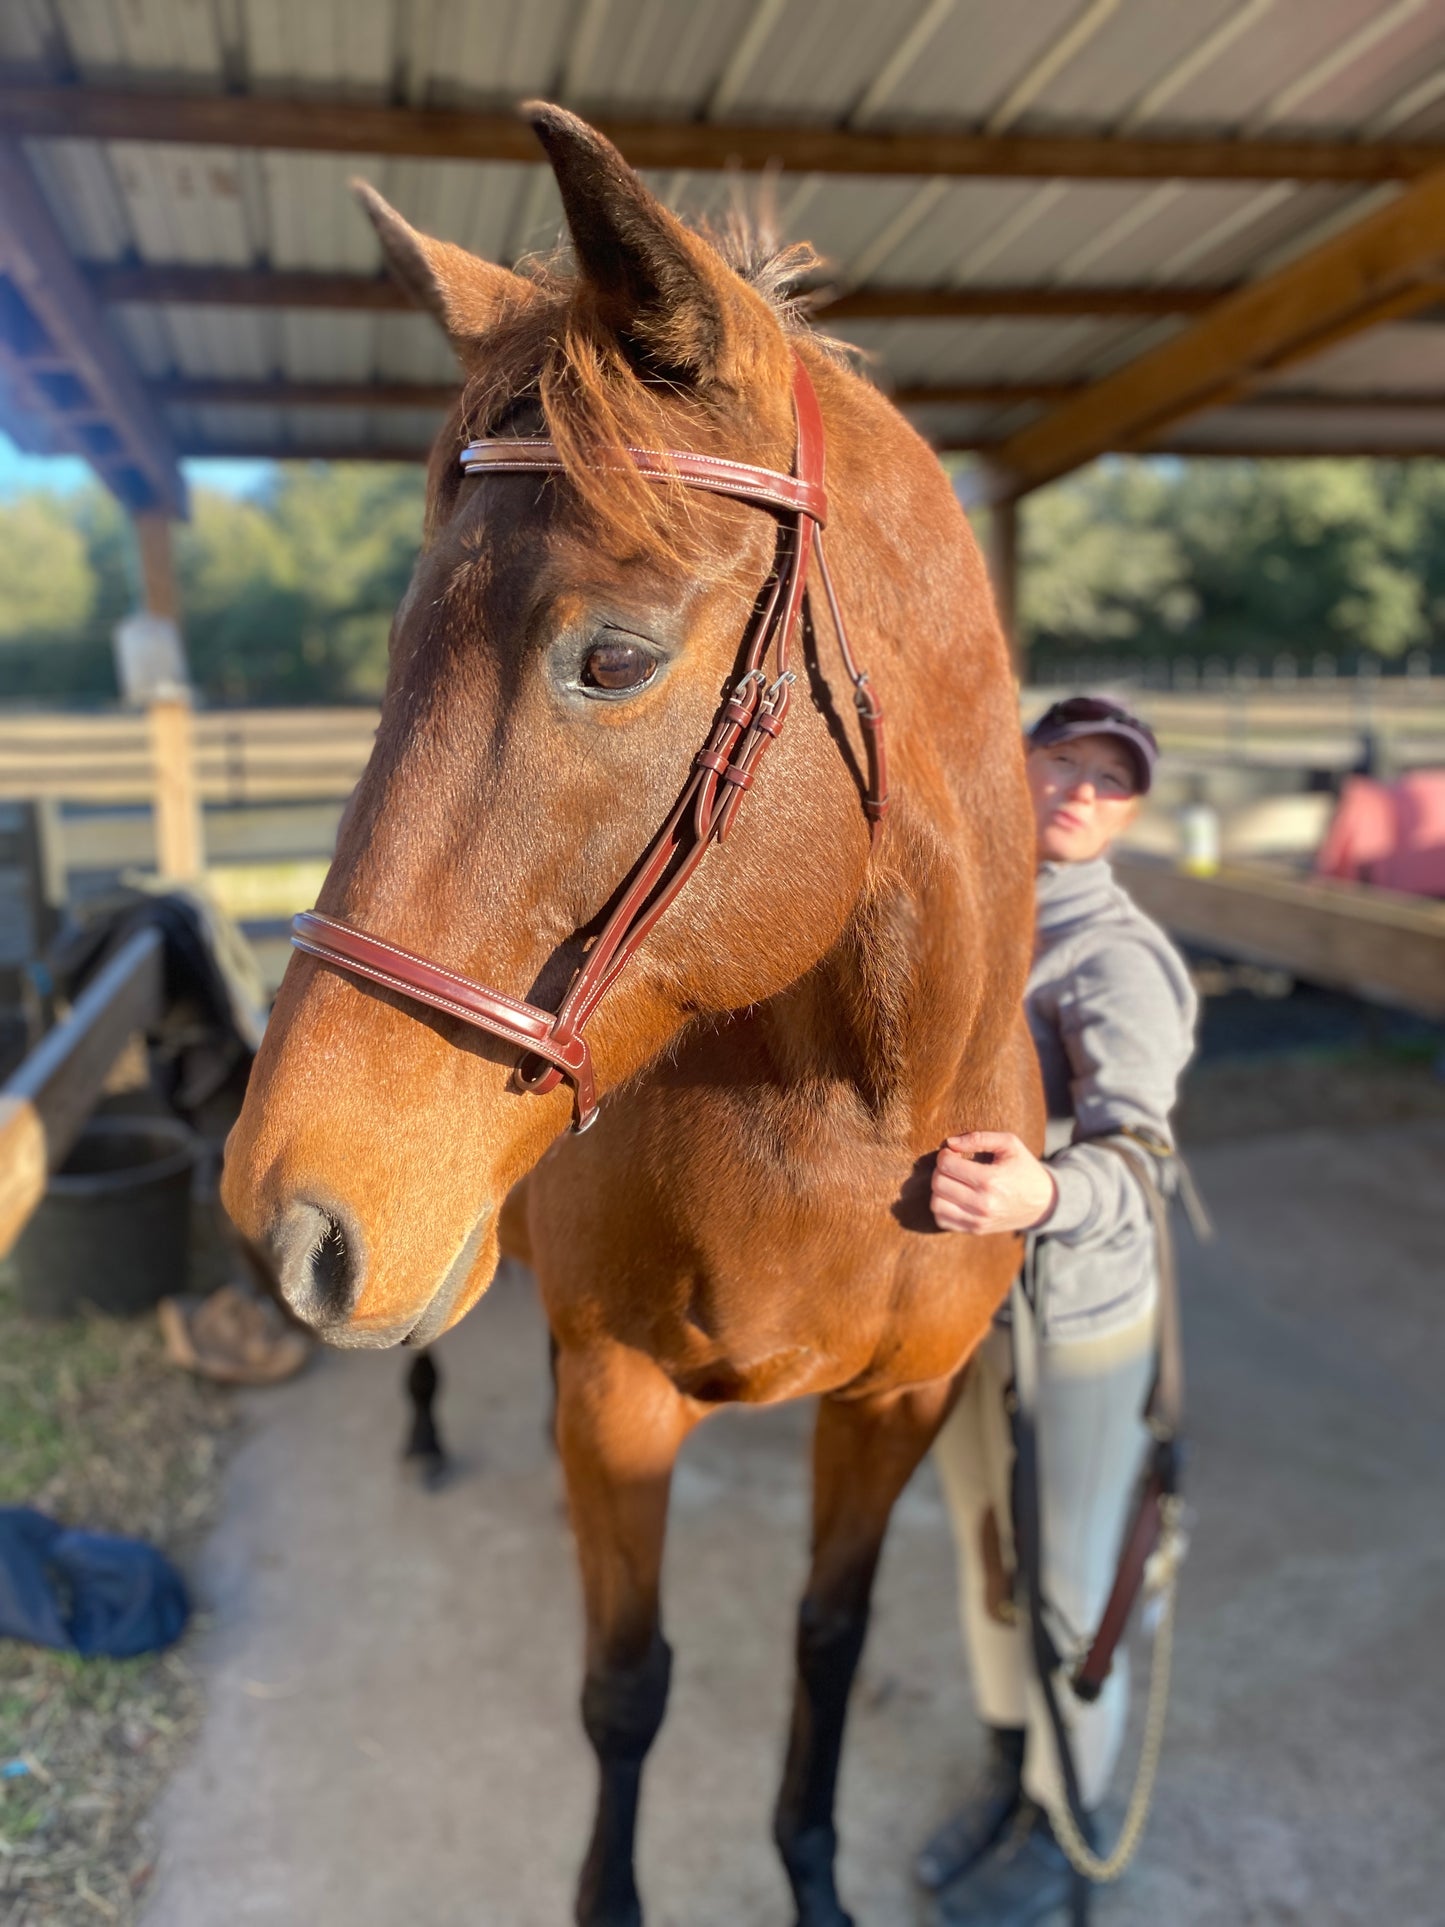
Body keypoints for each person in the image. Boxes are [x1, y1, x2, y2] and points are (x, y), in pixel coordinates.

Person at [918, 695, 1199, 1925]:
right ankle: (1011, 1769)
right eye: (1061, 762)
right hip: (967, 1313)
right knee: (988, 1558)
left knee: (1072, 1584)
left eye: (1109, 780)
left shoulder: (1113, 955)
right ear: (1017, 766)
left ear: (1129, 810)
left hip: (1073, 1319)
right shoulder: (977, 918)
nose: (1080, 791)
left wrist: (1043, 1186)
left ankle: (1073, 1817)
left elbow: (1139, 1157)